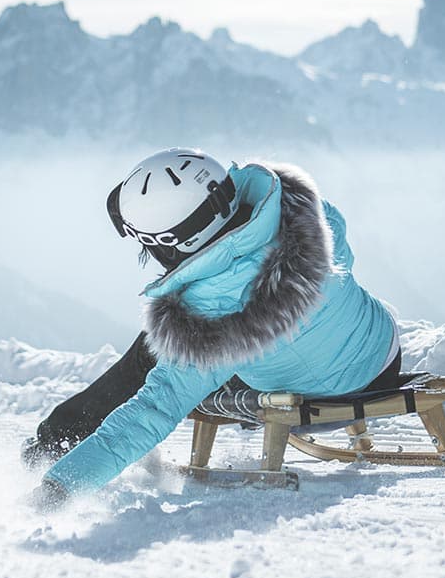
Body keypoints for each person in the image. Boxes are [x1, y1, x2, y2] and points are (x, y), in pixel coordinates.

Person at [24, 148, 399, 506]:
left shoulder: (205, 329)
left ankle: (56, 442)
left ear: (170, 244)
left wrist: (60, 489)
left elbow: (154, 409)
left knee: (150, 354)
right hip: (384, 356)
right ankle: (63, 435)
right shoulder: (308, 214)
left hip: (315, 403)